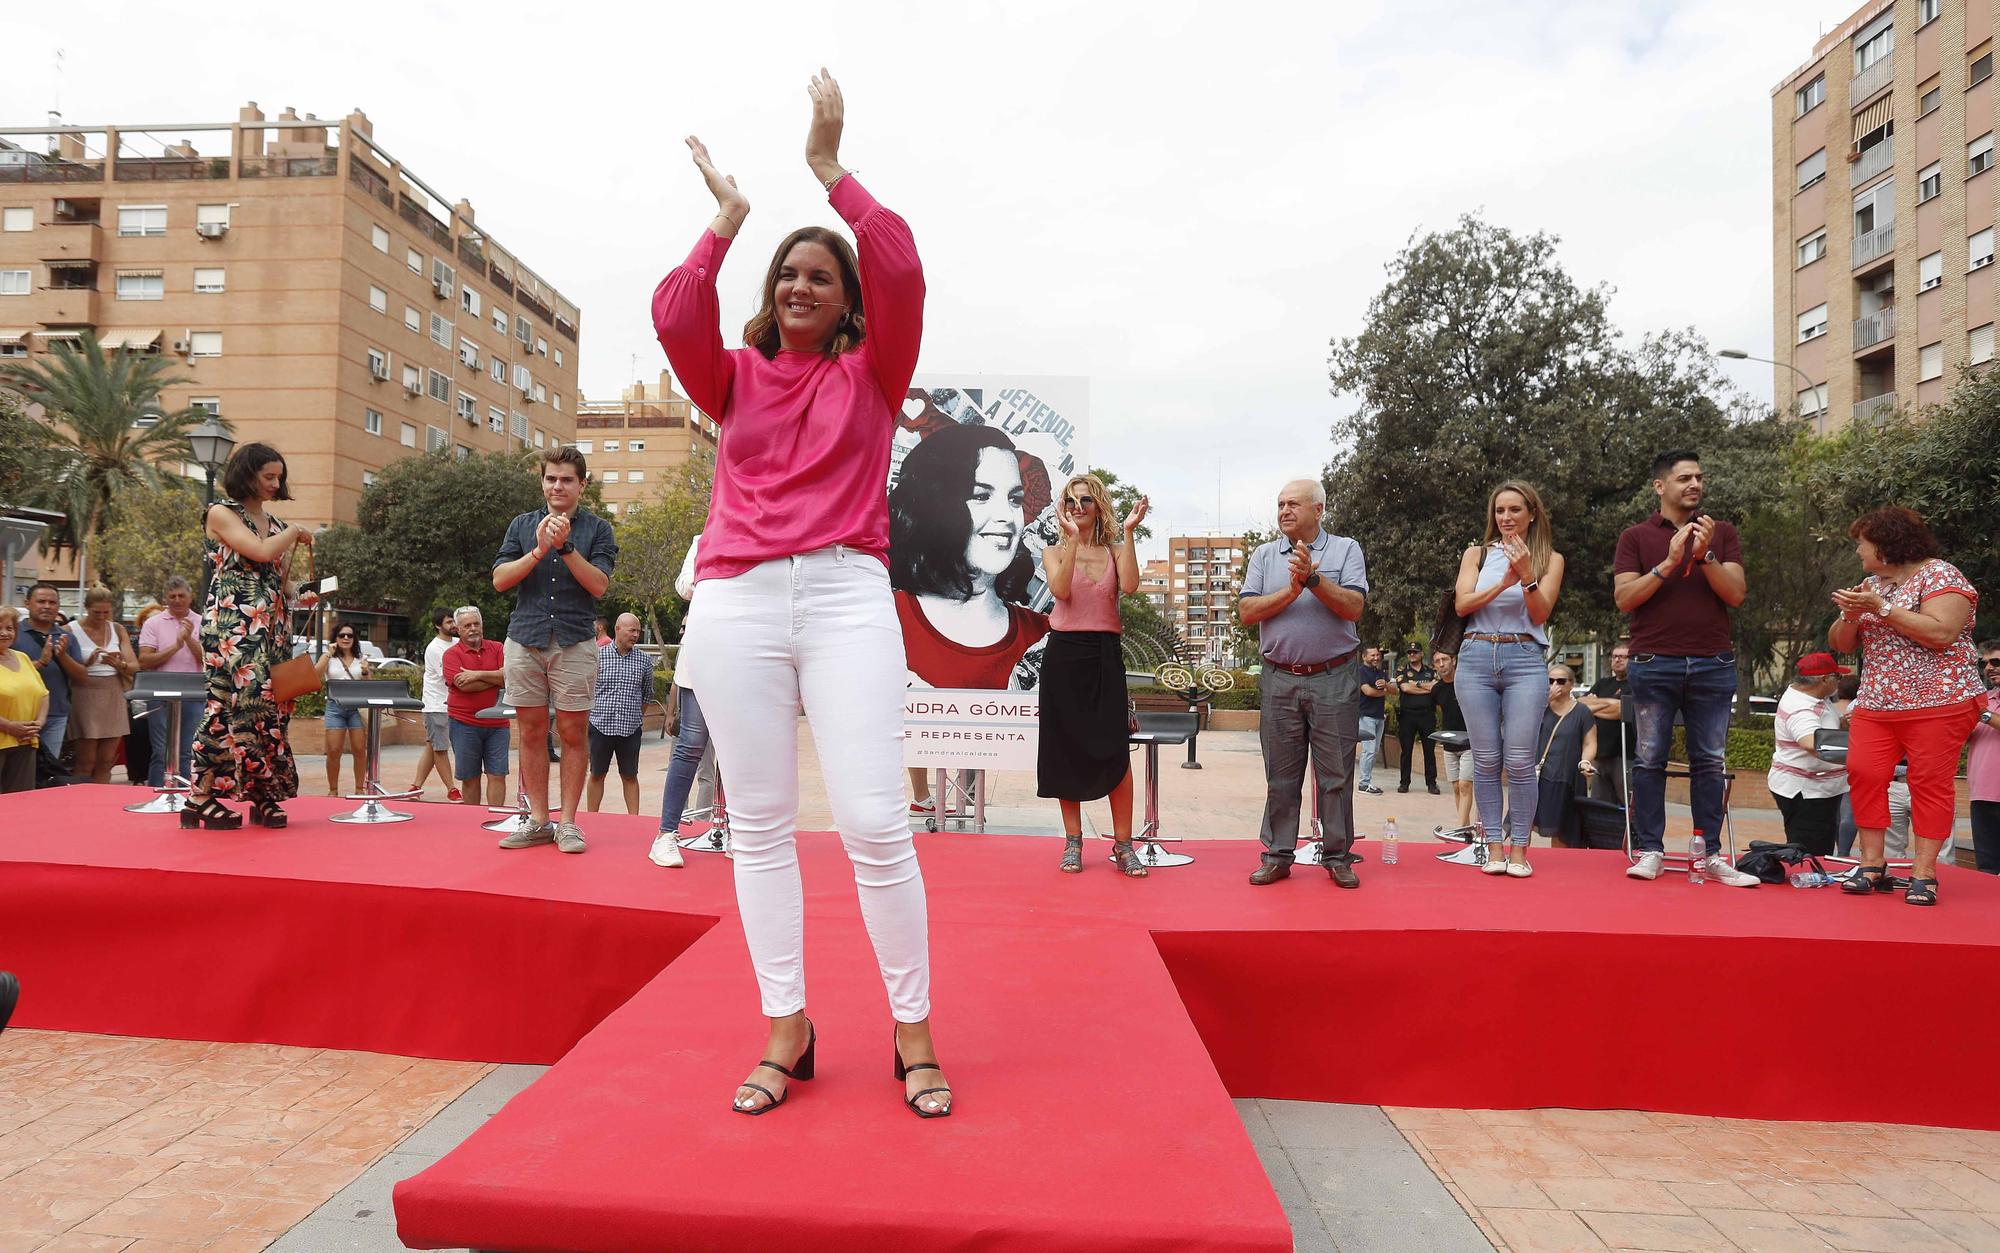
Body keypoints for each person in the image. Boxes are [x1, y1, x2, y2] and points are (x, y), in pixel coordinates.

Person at [653, 71, 951, 1117]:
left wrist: (831, 175)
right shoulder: (728, 375)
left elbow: (903, 263)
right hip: (734, 602)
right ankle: (789, 1024)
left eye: (820, 274)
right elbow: (674, 308)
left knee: (876, 820)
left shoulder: (872, 371)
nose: (800, 284)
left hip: (843, 595)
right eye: (788, 272)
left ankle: (910, 1029)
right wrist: (725, 223)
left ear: (845, 299)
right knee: (760, 824)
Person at [1611, 450, 1759, 886]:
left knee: (1710, 761)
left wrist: (1706, 554)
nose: (1695, 485)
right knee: (1650, 757)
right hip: (1654, 661)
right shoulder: (1635, 537)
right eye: (1684, 479)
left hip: (1713, 661)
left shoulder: (1722, 533)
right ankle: (1650, 850)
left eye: (1699, 477)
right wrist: (1670, 562)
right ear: (1661, 487)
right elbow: (1624, 599)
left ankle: (1708, 853)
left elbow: (1735, 595)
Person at [1829, 507, 1983, 906]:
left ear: (1885, 543)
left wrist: (1880, 608)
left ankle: (1924, 872)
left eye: (1862, 544)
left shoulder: (1941, 575)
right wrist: (1849, 615)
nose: (1859, 553)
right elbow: (1842, 644)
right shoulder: (1871, 583)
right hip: (1878, 702)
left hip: (1940, 700)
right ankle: (1871, 863)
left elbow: (1942, 632)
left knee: (1928, 782)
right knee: (1863, 772)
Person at [1238, 478, 1368, 888]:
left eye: (1294, 504)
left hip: (1334, 676)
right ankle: (1277, 855)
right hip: (1279, 678)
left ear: (1319, 510)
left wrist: (1314, 579)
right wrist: (1292, 591)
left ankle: (1337, 855)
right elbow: (1247, 610)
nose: (1284, 512)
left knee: (1336, 776)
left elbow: (1354, 607)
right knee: (1281, 776)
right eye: (1279, 505)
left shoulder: (1346, 549)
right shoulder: (1263, 556)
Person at [491, 445, 617, 854]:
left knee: (573, 733)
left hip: (575, 639)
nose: (557, 486)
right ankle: (539, 820)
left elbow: (599, 585)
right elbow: (500, 580)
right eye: (550, 478)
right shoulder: (521, 525)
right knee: (529, 732)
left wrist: (565, 548)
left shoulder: (598, 529)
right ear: (542, 481)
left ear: (582, 484)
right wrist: (540, 549)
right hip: (525, 638)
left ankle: (568, 823)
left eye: (566, 479)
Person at [183, 443, 313, 830]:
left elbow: (275, 579)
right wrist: (292, 532)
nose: (276, 483)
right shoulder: (221, 513)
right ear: (247, 474)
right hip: (233, 626)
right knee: (230, 706)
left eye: (279, 476)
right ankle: (199, 796)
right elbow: (257, 552)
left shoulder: (272, 523)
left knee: (270, 710)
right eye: (268, 476)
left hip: (270, 628)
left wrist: (301, 592)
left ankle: (263, 794)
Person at [1454, 481, 1566, 876]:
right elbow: (1462, 603)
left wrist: (1526, 577)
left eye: (1515, 510)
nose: (1506, 518)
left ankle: (1520, 849)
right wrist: (1503, 581)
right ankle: (1493, 848)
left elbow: (1539, 614)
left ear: (1532, 513)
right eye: (1500, 511)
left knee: (1519, 761)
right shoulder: (1477, 554)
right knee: (1485, 760)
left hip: (1524, 658)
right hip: (1476, 654)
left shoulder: (1551, 558)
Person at [1038, 474, 1147, 877]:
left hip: (1105, 654)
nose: (1077, 506)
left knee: (1116, 751)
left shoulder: (1117, 550)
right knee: (1065, 748)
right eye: (1070, 501)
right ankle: (1073, 841)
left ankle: (1123, 845)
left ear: (1098, 506)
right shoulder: (1053, 552)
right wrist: (1069, 541)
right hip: (1064, 655)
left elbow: (1132, 586)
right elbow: (1062, 591)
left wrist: (1131, 532)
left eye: (1085, 500)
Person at [650, 535, 718, 870]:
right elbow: (685, 586)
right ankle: (666, 834)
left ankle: (737, 831)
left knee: (742, 752)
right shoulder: (702, 540)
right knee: (690, 745)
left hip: (750, 659)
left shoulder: (767, 535)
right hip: (703, 653)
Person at [1767, 652, 1851, 858]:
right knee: (1811, 851)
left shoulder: (1814, 697)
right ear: (1824, 679)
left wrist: (1841, 725)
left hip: (1818, 789)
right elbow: (1813, 744)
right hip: (1807, 792)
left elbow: (1821, 730)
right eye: (1837, 677)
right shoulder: (1801, 707)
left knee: (1818, 844)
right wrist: (1860, 753)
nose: (1840, 682)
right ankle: (1808, 883)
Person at [135, 577, 204, 789]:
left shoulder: (203, 621)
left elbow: (208, 659)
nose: (177, 600)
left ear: (190, 597)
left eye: (181, 595)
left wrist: (189, 639)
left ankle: (184, 797)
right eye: (172, 596)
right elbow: (144, 660)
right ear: (166, 598)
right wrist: (175, 646)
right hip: (160, 693)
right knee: (161, 750)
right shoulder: (153, 623)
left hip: (193, 693)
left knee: (186, 751)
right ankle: (157, 794)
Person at [1526, 663, 1598, 857]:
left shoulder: (1582, 712)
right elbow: (1522, 730)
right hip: (1538, 774)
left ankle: (1559, 865)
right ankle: (1520, 858)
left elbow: (1590, 742)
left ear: (1571, 685)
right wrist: (1543, 702)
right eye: (1550, 681)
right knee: (1524, 821)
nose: (1554, 685)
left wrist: (1585, 761)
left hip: (1565, 775)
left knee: (1561, 827)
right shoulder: (1538, 708)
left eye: (1560, 681)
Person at [66, 586, 135, 785]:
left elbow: (134, 666)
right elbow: (65, 667)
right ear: (87, 607)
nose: (102, 616)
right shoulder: (70, 630)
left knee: (106, 761)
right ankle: (78, 804)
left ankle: (100, 804)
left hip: (113, 691)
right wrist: (88, 662)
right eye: (97, 612)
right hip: (84, 692)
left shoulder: (117, 629)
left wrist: (119, 664)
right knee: (86, 761)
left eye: (106, 612)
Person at [443, 606, 510, 811]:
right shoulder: (451, 655)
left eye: (476, 624)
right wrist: (495, 677)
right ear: (458, 629)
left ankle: (495, 816)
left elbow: (509, 677)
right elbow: (464, 685)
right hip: (464, 723)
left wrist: (476, 674)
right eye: (467, 625)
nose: (473, 629)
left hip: (498, 723)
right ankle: (472, 820)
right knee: (470, 777)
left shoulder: (498, 647)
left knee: (497, 774)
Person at [586, 613, 652, 816]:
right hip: (600, 726)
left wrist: (634, 717)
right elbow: (587, 690)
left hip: (630, 728)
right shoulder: (598, 656)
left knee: (630, 775)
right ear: (617, 629)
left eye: (638, 631)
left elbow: (646, 695)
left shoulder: (644, 660)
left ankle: (634, 820)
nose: (636, 635)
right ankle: (592, 817)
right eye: (632, 630)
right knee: (597, 774)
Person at [20, 583, 82, 767]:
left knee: (47, 770)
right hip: (19, 716)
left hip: (56, 714)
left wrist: (62, 657)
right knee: (18, 772)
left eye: (52, 602)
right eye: (41, 601)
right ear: (27, 604)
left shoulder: (67, 638)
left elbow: (81, 677)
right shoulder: (11, 634)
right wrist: (41, 662)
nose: (47, 606)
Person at [406, 607, 462, 802]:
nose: (453, 625)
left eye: (454, 621)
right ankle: (452, 789)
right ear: (438, 625)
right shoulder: (434, 648)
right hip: (437, 704)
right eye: (448, 622)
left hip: (451, 704)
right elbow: (450, 676)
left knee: (432, 745)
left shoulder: (457, 642)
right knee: (440, 748)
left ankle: (415, 786)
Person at [316, 621, 372, 797]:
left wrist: (365, 671)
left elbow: (369, 684)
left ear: (354, 639)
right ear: (335, 638)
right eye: (342, 635)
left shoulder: (360, 660)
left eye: (350, 635)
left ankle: (359, 789)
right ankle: (333, 789)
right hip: (334, 707)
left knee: (359, 749)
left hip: (355, 708)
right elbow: (316, 675)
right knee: (333, 750)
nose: (346, 638)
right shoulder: (329, 658)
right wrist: (327, 653)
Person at [0, 606, 50, 792]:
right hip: (6, 736)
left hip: (26, 741)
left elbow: (43, 694)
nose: (4, 633)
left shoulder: (23, 658)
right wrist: (10, 727)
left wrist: (38, 723)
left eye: (9, 628)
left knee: (21, 801)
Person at [1579, 641, 1632, 806]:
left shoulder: (1636, 684)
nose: (1617, 660)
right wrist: (1610, 705)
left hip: (1624, 756)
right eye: (1615, 656)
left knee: (1628, 806)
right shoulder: (1603, 683)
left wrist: (1594, 706)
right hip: (1599, 756)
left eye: (1623, 657)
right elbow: (1580, 704)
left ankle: (1632, 833)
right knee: (1600, 807)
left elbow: (1622, 710)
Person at [1967, 640, 2000, 874]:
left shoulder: (1982, 707)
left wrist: (1982, 714)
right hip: (1982, 793)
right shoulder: (1984, 699)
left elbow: (1984, 717)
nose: (1989, 667)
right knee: (1986, 869)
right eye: (1985, 663)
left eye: (1996, 661)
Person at [1433, 648, 1473, 831]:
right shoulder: (1437, 689)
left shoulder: (1466, 683)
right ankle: (1463, 827)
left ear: (1453, 660)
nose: (1441, 664)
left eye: (1445, 659)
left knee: (1465, 784)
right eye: (1437, 661)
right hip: (1449, 744)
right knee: (1457, 787)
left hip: (1469, 743)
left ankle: (1459, 829)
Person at [1393, 644, 1438, 794]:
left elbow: (1436, 688)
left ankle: (1431, 783)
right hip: (1407, 715)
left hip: (1427, 715)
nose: (1412, 654)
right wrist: (1426, 688)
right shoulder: (1402, 670)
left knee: (1429, 750)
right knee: (1406, 750)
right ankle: (1404, 783)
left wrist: (1416, 684)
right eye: (1410, 652)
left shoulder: (1431, 671)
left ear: (1421, 654)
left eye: (1415, 652)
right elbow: (1405, 688)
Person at [1355, 646, 1389, 795]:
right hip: (1366, 715)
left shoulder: (1380, 672)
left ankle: (1367, 781)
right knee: (1368, 750)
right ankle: (1364, 784)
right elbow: (1367, 691)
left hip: (1379, 716)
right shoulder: (1361, 671)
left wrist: (1386, 686)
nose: (1376, 657)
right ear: (1364, 657)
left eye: (1378, 655)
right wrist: (1384, 691)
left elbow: (1394, 690)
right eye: (1372, 655)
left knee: (1374, 751)